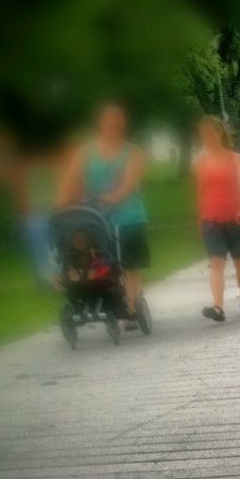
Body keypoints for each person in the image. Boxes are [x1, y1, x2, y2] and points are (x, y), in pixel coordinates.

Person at [57, 102, 150, 330]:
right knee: (89, 258)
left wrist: (111, 197)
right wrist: (62, 204)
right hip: (96, 217)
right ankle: (92, 299)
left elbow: (127, 185)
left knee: (129, 264)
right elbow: (69, 180)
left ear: (123, 125)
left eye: (118, 123)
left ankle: (130, 309)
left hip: (129, 216)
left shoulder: (133, 154)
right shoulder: (86, 152)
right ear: (101, 124)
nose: (114, 127)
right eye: (109, 122)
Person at [194, 116, 240, 322]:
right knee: (216, 262)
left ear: (219, 133)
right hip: (211, 218)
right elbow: (200, 192)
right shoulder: (201, 162)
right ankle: (218, 306)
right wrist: (200, 220)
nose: (207, 138)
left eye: (210, 133)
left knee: (239, 259)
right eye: (203, 135)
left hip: (234, 217)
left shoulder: (235, 158)